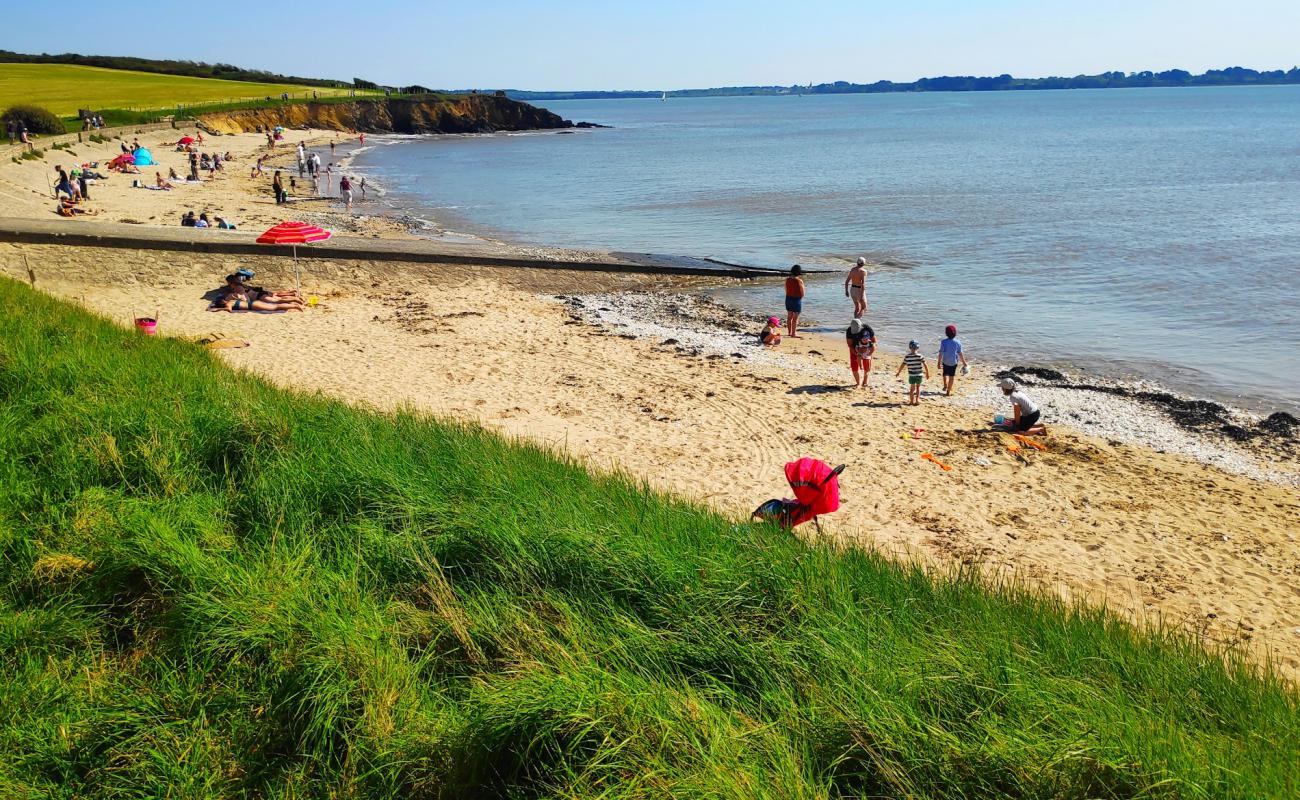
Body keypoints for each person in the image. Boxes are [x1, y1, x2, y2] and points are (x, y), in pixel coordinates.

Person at [937, 324, 969, 396]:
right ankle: (948, 391)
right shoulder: (957, 342)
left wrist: (938, 362)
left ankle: (945, 385)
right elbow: (960, 353)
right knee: (951, 377)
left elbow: (941, 353)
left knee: (945, 374)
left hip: (945, 361)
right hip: (953, 363)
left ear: (946, 333)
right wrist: (964, 363)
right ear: (955, 333)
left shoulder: (943, 342)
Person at [895, 340, 929, 405]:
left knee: (912, 388)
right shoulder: (920, 356)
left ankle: (911, 401)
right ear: (918, 348)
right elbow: (925, 365)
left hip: (912, 375)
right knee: (918, 388)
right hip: (919, 374)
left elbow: (903, 365)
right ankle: (917, 401)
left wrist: (898, 372)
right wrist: (927, 373)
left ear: (909, 348)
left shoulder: (907, 357)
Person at [845, 318, 876, 389]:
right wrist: (857, 353)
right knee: (854, 366)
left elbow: (874, 342)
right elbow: (850, 344)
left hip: (867, 349)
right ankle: (858, 383)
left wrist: (868, 350)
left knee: (867, 367)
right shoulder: (849, 331)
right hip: (855, 348)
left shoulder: (867, 329)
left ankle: (865, 382)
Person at [783, 264, 805, 338]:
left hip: (788, 298)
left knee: (789, 316)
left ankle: (789, 332)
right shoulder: (799, 280)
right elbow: (803, 292)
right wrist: (800, 297)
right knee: (795, 318)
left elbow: (786, 289)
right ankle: (793, 333)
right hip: (796, 299)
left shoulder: (787, 279)